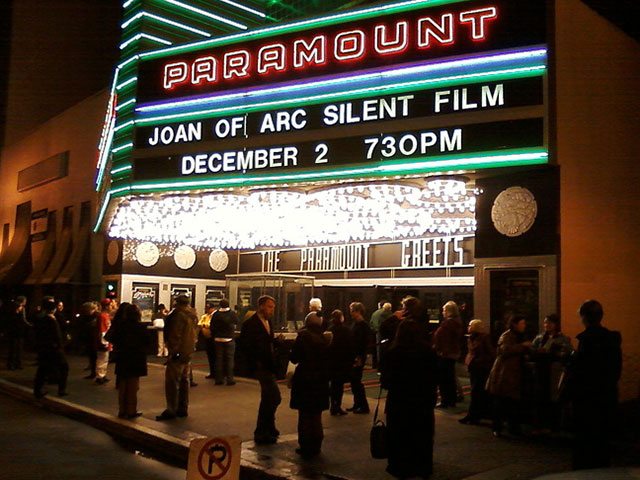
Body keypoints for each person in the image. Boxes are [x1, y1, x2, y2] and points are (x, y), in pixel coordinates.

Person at [381, 319, 438, 479]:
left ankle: (400, 467)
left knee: (399, 436)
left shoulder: (393, 353)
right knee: (422, 436)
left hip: (399, 402)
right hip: (422, 401)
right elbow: (435, 377)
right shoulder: (428, 352)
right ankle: (423, 466)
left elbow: (385, 381)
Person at [570, 300, 622, 470]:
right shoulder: (612, 340)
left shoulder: (586, 341)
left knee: (585, 441)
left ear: (584, 317)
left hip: (587, 399)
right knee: (602, 441)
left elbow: (580, 372)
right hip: (605, 397)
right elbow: (616, 370)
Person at [239, 295, 283, 443]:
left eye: (273, 308)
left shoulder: (267, 322)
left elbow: (267, 341)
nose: (272, 310)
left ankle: (268, 427)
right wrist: (256, 362)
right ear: (262, 306)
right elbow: (246, 345)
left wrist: (276, 342)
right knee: (274, 397)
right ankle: (262, 430)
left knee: (268, 397)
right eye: (270, 307)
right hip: (261, 365)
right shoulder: (251, 324)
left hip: (268, 363)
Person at [290, 312, 330, 457]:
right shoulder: (325, 338)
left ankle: (305, 445)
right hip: (321, 381)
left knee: (305, 415)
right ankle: (316, 445)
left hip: (305, 379)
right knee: (316, 415)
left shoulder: (303, 337)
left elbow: (295, 358)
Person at [486, 314, 532, 437]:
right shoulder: (507, 336)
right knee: (502, 402)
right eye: (522, 324)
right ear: (514, 324)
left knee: (512, 403)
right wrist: (523, 346)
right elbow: (505, 350)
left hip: (514, 374)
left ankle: (513, 427)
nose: (524, 326)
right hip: (505, 373)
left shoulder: (519, 336)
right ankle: (498, 427)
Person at [156, 295, 198, 420]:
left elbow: (175, 335)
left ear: (176, 303)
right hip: (188, 351)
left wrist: (173, 352)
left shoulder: (178, 316)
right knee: (184, 381)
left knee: (172, 381)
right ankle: (183, 408)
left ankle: (171, 409)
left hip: (178, 353)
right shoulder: (192, 315)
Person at [531, 314, 573, 434]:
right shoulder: (539, 337)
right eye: (545, 323)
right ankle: (539, 425)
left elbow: (569, 353)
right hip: (541, 370)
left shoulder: (562, 339)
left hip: (554, 370)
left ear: (555, 324)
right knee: (540, 397)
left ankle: (554, 426)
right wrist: (536, 352)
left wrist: (558, 353)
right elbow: (532, 350)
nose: (546, 325)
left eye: (549, 323)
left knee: (554, 398)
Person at [106, 303, 149, 419]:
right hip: (136, 358)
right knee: (133, 386)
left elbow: (109, 337)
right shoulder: (141, 327)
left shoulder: (121, 326)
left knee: (123, 385)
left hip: (122, 357)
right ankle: (131, 410)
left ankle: (122, 410)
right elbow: (147, 342)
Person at [459, 319, 495, 425]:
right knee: (475, 392)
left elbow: (490, 353)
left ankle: (473, 415)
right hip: (474, 367)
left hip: (481, 368)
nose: (468, 327)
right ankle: (473, 415)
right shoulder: (471, 338)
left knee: (476, 392)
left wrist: (480, 360)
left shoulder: (484, 338)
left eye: (470, 325)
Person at [33, 297, 69, 398]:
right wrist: (60, 346)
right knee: (64, 368)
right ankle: (62, 389)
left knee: (43, 369)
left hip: (44, 349)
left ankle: (37, 390)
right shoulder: (51, 320)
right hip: (54, 349)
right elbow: (56, 335)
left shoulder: (41, 319)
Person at [433, 301, 464, 408]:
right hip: (453, 353)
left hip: (445, 354)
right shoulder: (457, 322)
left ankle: (446, 400)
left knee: (444, 379)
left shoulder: (448, 324)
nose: (442, 312)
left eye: (444, 310)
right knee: (450, 377)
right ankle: (452, 399)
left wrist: (440, 350)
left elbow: (444, 339)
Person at [327, 309, 353, 416]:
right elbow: (349, 346)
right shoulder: (345, 330)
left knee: (333, 384)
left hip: (332, 361)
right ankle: (337, 405)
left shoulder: (330, 329)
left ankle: (333, 405)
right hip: (342, 361)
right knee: (339, 385)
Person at [346, 302, 370, 414]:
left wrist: (359, 356)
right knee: (354, 381)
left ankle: (363, 405)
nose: (351, 313)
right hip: (355, 355)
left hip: (358, 356)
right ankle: (357, 404)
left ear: (358, 311)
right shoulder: (357, 324)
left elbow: (362, 343)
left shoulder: (362, 325)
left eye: (352, 311)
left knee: (356, 381)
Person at [210, 298, 239, 386]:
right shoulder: (232, 314)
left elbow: (212, 326)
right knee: (229, 359)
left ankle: (219, 379)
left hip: (218, 339)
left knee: (219, 359)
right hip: (229, 338)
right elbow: (237, 322)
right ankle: (230, 379)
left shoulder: (216, 314)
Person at [6, 296, 30, 370]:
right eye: (24, 301)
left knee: (18, 348)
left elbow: (23, 319)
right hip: (13, 331)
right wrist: (16, 311)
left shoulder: (23, 309)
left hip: (19, 331)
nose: (25, 302)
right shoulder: (12, 308)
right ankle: (11, 364)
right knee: (13, 348)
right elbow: (11, 319)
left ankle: (17, 364)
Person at [95, 299, 113, 385]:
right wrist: (104, 342)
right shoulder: (102, 316)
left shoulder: (106, 315)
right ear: (106, 306)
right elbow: (102, 330)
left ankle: (103, 374)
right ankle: (99, 375)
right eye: (110, 305)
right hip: (104, 341)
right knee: (101, 359)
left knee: (105, 359)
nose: (111, 307)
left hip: (107, 340)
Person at [370, 302, 392, 370]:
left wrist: (375, 330)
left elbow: (371, 324)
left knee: (379, 351)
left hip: (378, 334)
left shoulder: (375, 313)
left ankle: (378, 367)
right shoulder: (390, 314)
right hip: (387, 335)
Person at [199, 303, 215, 378]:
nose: (208, 310)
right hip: (206, 337)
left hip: (213, 338)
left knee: (215, 356)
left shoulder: (215, 316)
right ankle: (212, 372)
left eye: (209, 309)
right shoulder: (204, 316)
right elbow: (199, 324)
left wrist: (205, 325)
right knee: (209, 356)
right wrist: (205, 325)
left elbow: (210, 325)